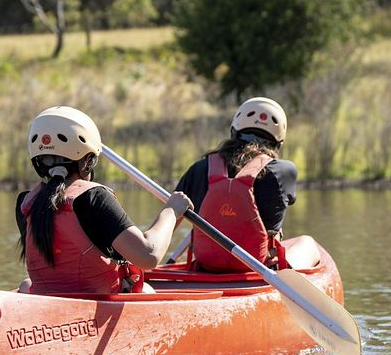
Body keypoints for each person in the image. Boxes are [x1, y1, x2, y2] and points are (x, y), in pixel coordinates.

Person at [16, 106, 192, 295]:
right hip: (95, 306)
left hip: (47, 301)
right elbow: (148, 256)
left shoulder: (26, 203)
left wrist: (170, 222)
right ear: (89, 159)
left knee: (27, 285)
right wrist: (172, 210)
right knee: (146, 291)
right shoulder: (94, 198)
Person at [175, 96, 298, 272]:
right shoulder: (284, 170)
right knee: (306, 243)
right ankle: (283, 273)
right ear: (279, 142)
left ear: (234, 131)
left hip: (208, 263)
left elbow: (172, 214)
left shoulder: (199, 169)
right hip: (257, 265)